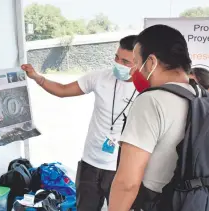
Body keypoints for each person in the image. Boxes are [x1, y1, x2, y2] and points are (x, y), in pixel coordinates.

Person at [21, 35, 138, 211]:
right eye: (116, 57)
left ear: (139, 62)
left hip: (121, 168)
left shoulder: (148, 90)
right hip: (90, 165)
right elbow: (62, 90)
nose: (118, 63)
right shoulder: (99, 78)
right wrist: (37, 77)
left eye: (125, 61)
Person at [108, 24, 196, 211]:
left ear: (151, 62)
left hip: (157, 203)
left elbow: (127, 184)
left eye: (137, 63)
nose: (134, 71)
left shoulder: (151, 101)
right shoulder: (199, 96)